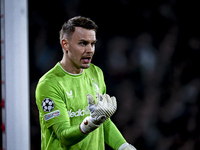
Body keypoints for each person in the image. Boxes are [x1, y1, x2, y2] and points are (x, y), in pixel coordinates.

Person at [35, 16, 137, 150]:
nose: (90, 50)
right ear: (65, 44)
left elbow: (103, 121)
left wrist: (123, 146)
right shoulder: (49, 84)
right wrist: (90, 123)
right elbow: (63, 136)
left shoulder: (96, 73)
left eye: (92, 43)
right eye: (83, 43)